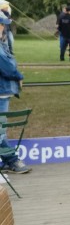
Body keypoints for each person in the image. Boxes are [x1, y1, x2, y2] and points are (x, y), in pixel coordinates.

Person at [0, 15, 29, 175]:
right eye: (2, 25)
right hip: (2, 91)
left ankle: (11, 161)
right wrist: (19, 75)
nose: (3, 28)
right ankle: (12, 161)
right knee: (0, 130)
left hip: (3, 91)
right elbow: (7, 67)